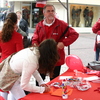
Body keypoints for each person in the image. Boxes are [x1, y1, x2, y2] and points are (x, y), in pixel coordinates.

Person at [32, 4, 79, 84]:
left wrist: (64, 43)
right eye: (48, 11)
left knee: (54, 82)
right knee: (39, 81)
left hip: (55, 58)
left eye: (52, 11)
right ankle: (38, 94)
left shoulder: (62, 24)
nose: (51, 13)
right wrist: (35, 45)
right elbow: (35, 38)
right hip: (42, 57)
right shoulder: (39, 25)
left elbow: (75, 34)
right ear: (44, 13)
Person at [0, 12, 24, 100]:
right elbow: (20, 53)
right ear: (16, 22)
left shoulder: (0, 34)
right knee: (14, 88)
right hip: (13, 66)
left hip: (2, 64)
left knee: (3, 89)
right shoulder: (18, 36)